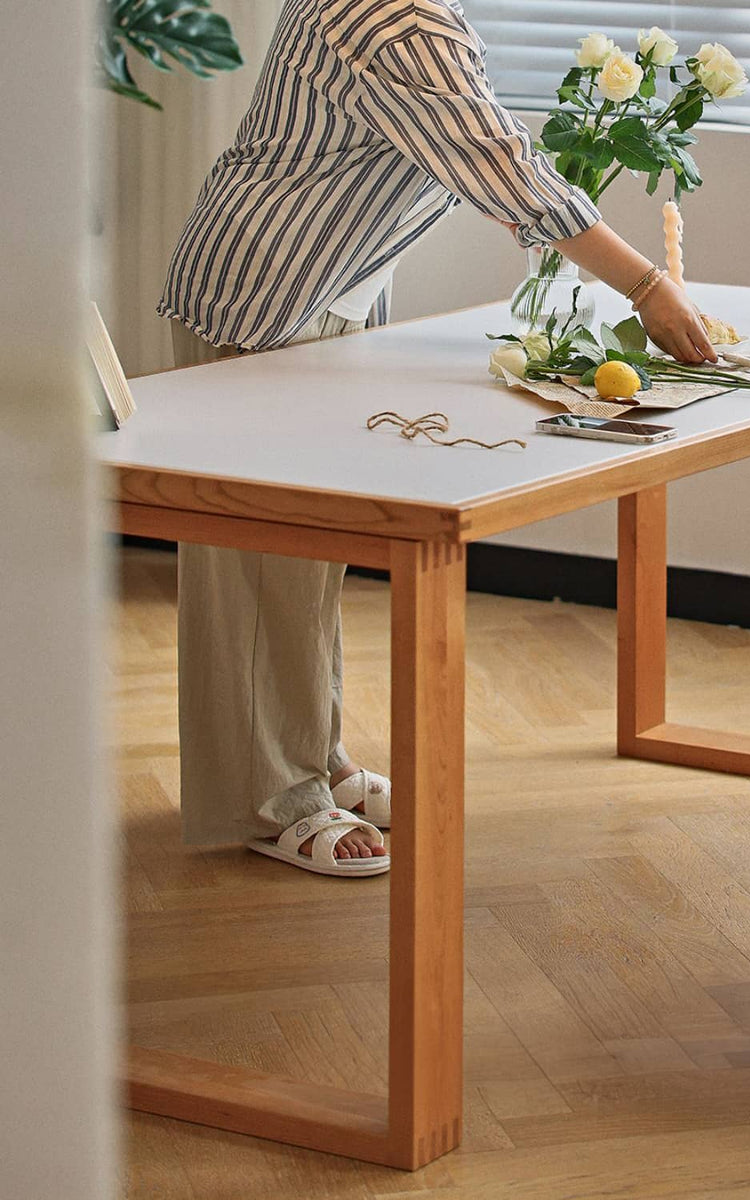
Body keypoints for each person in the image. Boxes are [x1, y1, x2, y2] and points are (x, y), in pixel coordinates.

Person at [159, 0, 716, 876]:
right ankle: (273, 800)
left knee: (307, 562)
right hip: (266, 297)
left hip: (319, 292)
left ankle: (314, 759)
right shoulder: (396, 18)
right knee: (262, 572)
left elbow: (471, 150)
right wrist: (646, 285)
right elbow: (501, 162)